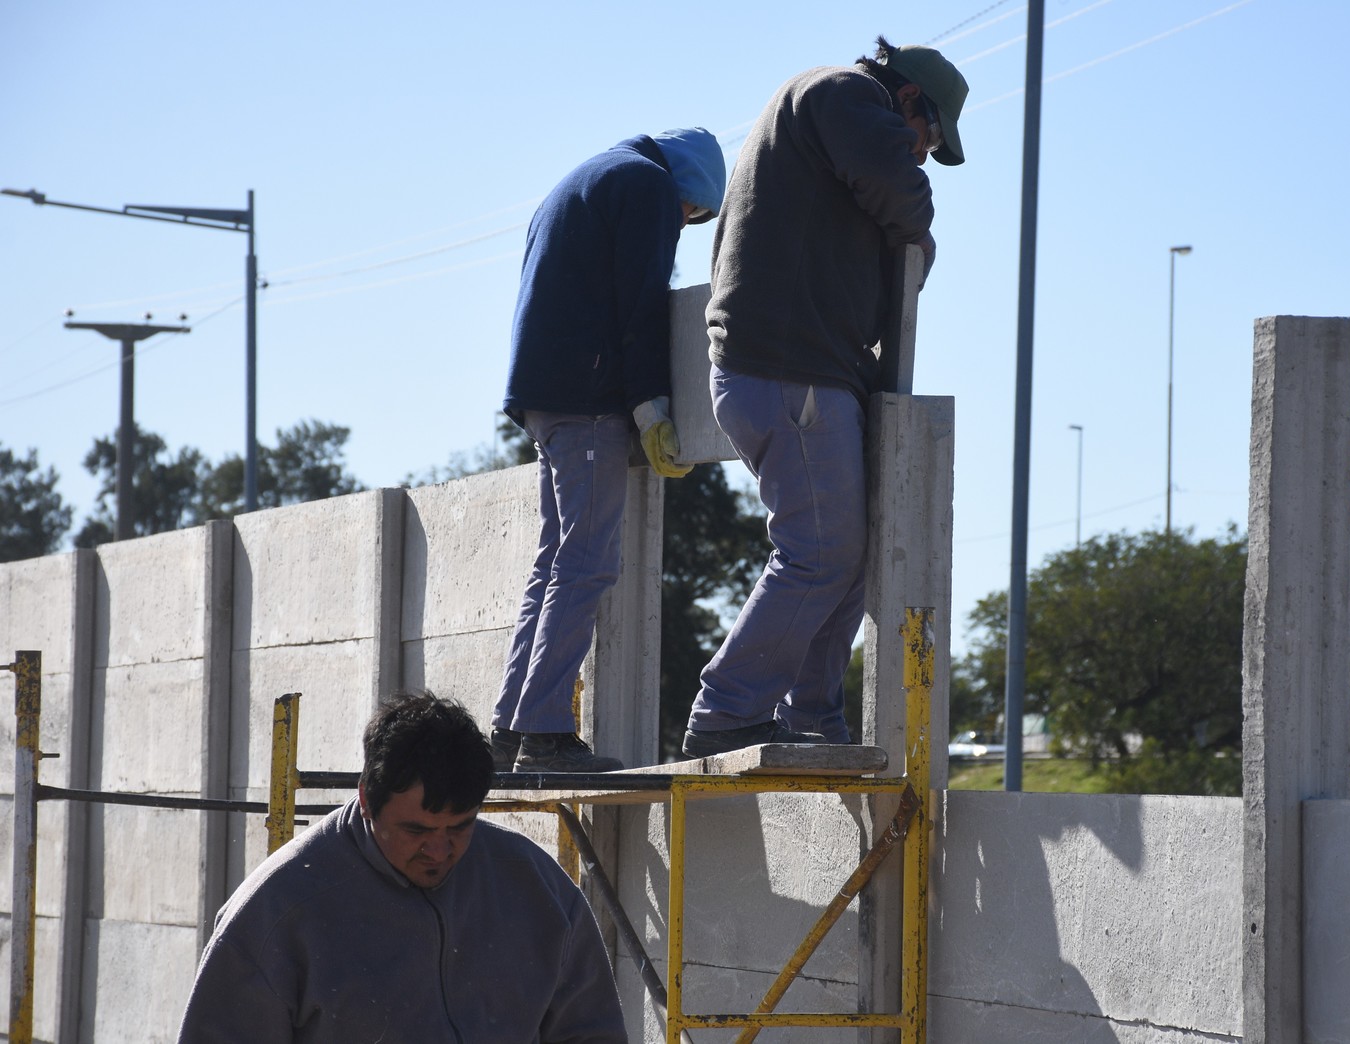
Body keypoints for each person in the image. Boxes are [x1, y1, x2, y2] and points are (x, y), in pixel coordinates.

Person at [683, 37, 967, 758]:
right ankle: (726, 711)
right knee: (817, 553)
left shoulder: (818, 119)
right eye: (923, 141)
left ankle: (810, 714)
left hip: (793, 370)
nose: (918, 158)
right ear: (907, 99)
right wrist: (914, 236)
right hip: (790, 371)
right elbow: (901, 197)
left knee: (847, 550)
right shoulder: (841, 93)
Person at [177, 690, 629, 1043]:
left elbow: (592, 1033)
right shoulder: (273, 913)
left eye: (459, 827)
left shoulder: (538, 888)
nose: (439, 850)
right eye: (416, 831)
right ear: (366, 800)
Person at [491, 127, 727, 773]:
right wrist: (651, 405)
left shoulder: (593, 174)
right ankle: (542, 734)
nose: (682, 223)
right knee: (588, 563)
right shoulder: (645, 184)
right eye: (690, 213)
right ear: (686, 187)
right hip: (586, 394)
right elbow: (643, 301)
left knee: (557, 564)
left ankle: (510, 733)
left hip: (546, 391)